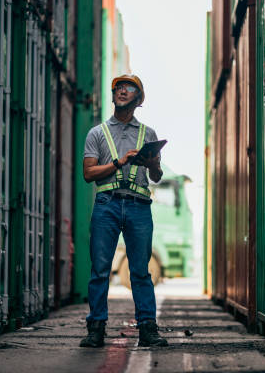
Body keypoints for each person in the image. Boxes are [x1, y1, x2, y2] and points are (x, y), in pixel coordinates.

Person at [79, 74, 168, 348]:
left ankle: (148, 329)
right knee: (100, 269)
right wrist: (120, 162)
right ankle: (95, 329)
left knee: (140, 271)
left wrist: (151, 164)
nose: (121, 90)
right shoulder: (97, 133)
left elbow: (156, 176)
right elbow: (88, 173)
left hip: (139, 206)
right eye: (118, 87)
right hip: (107, 204)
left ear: (138, 99)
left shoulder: (148, 134)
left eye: (129, 88)